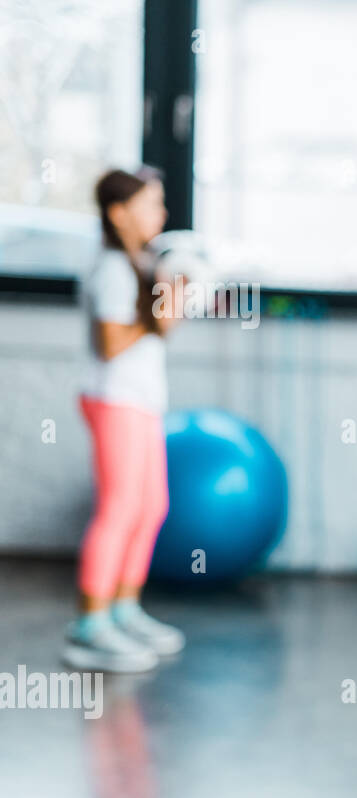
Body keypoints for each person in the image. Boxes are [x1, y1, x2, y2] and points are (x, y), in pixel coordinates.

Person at [63, 167, 188, 673]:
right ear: (119, 214)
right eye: (150, 204)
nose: (161, 214)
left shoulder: (141, 261)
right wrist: (161, 309)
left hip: (142, 401)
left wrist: (175, 295)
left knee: (151, 505)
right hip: (114, 401)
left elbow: (159, 331)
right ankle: (91, 624)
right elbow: (113, 344)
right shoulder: (113, 267)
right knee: (117, 510)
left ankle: (123, 609)